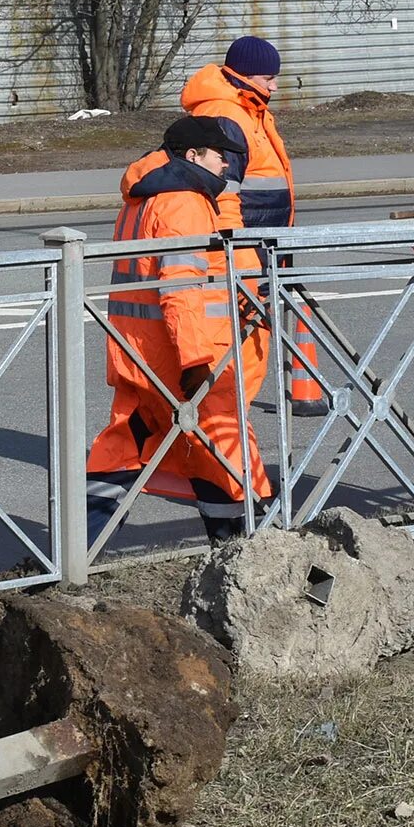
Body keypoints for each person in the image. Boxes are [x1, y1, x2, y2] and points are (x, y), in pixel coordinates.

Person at [86, 116, 272, 544]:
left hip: (137, 352)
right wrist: (196, 361)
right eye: (218, 156)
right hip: (178, 359)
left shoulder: (141, 198)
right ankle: (244, 548)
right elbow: (181, 286)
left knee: (124, 445)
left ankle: (77, 545)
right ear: (192, 156)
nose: (226, 165)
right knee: (224, 449)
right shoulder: (183, 202)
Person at [180, 35, 327, 417]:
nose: (275, 86)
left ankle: (229, 450)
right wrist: (244, 265)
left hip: (257, 251)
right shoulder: (229, 116)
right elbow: (223, 196)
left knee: (244, 354)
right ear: (245, 76)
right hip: (244, 256)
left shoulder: (248, 109)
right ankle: (228, 453)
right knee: (239, 356)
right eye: (268, 78)